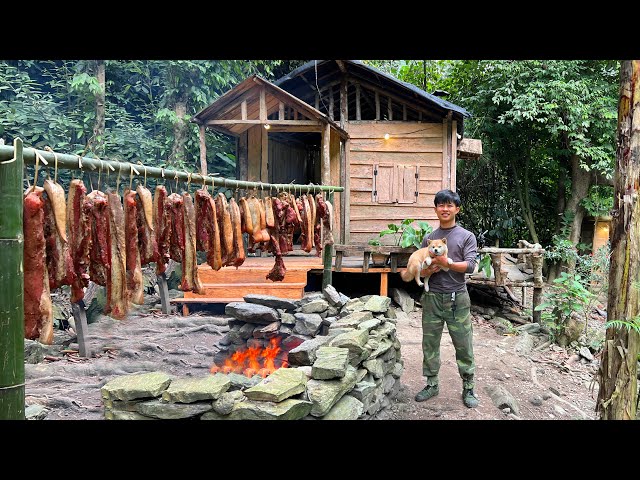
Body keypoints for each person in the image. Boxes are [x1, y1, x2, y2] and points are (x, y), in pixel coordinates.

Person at [414, 189, 479, 408]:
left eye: (449, 205)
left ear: (457, 209)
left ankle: (468, 387)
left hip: (457, 298)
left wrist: (448, 264)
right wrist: (429, 270)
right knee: (429, 343)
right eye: (441, 205)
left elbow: (470, 266)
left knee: (463, 344)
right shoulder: (429, 238)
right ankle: (432, 384)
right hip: (432, 297)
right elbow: (422, 271)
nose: (445, 209)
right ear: (435, 209)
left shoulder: (466, 236)